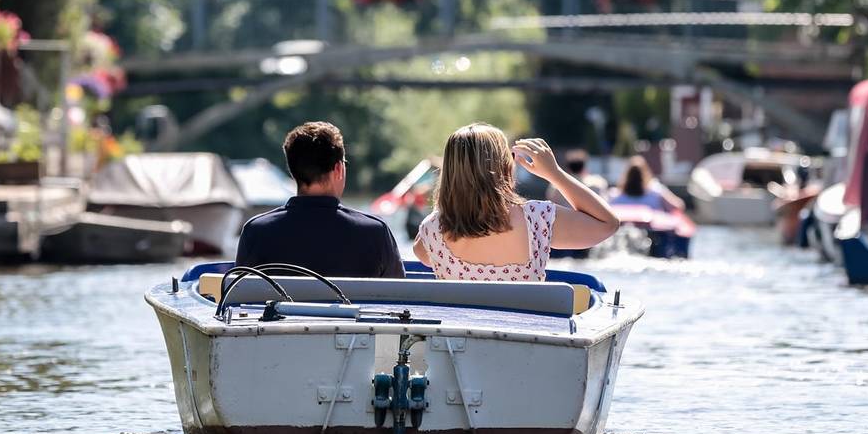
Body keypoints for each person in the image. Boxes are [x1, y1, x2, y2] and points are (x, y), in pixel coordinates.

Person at [413, 124, 619, 281]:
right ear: (505, 166)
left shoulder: (432, 230)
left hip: (457, 335)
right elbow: (607, 224)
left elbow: (422, 255)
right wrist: (555, 174)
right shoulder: (537, 220)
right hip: (526, 335)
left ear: (449, 172)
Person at [234, 121, 404, 278]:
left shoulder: (255, 231)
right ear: (338, 169)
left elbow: (238, 295)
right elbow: (400, 298)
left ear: (293, 171)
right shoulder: (375, 232)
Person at [609, 156, 686, 213]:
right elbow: (678, 206)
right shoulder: (656, 191)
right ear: (645, 174)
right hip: (653, 233)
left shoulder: (614, 196)